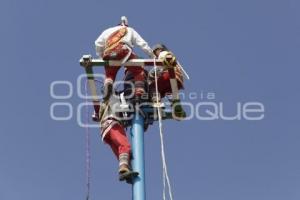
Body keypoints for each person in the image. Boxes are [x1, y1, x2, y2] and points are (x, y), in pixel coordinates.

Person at [95, 16, 154, 102]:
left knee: (110, 75)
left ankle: (108, 87)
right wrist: (153, 56)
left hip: (108, 53)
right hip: (123, 51)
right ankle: (139, 92)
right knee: (138, 71)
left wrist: (101, 56)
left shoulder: (107, 31)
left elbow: (98, 43)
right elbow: (143, 44)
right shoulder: (129, 30)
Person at [93, 91, 138, 183]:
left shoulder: (103, 105)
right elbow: (123, 109)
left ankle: (126, 171)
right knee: (124, 146)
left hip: (105, 131)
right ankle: (124, 168)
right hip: (113, 125)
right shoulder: (113, 99)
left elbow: (96, 115)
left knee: (121, 152)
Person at [149, 43, 186, 119]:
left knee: (152, 87)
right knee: (167, 93)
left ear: (159, 49)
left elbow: (160, 67)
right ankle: (178, 110)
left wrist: (151, 74)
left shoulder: (163, 54)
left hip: (169, 75)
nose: (156, 55)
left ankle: (156, 102)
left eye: (155, 52)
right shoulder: (170, 55)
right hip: (177, 80)